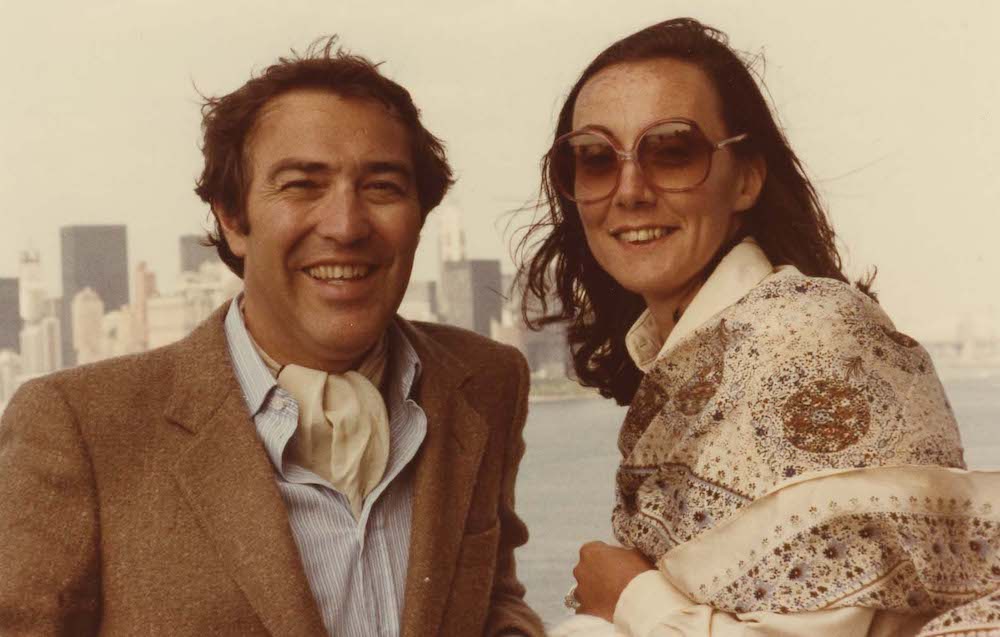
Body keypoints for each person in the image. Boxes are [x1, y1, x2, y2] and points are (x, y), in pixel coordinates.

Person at [0, 39, 544, 637]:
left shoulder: (486, 380)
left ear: (421, 213)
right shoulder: (80, 427)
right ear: (232, 219)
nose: (345, 226)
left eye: (383, 186)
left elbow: (491, 595)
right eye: (302, 185)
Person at [517, 18, 1000, 637]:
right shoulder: (687, 357)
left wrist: (631, 598)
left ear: (746, 177)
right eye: (594, 158)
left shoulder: (818, 345)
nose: (630, 189)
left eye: (672, 150)